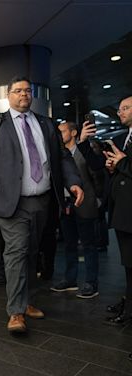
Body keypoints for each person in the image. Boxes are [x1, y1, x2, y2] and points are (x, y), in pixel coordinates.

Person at [0, 76, 83, 333]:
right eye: (18, 91)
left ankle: (28, 300)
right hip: (10, 202)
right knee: (17, 250)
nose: (24, 95)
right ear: (8, 96)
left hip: (42, 200)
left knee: (33, 251)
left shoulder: (46, 124)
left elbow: (62, 157)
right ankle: (16, 312)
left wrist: (73, 182)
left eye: (28, 91)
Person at [78, 95, 132, 325]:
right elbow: (98, 164)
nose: (120, 112)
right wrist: (83, 142)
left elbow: (124, 164)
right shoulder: (121, 138)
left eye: (126, 108)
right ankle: (128, 302)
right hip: (121, 209)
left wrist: (121, 163)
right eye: (120, 108)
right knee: (128, 263)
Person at [51, 121, 101, 298]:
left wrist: (98, 200)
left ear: (73, 133)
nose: (59, 135)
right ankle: (70, 279)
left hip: (85, 203)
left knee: (88, 245)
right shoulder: (58, 154)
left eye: (63, 131)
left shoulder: (84, 151)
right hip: (65, 205)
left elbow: (96, 176)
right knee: (69, 245)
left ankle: (91, 283)